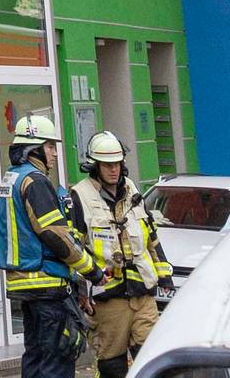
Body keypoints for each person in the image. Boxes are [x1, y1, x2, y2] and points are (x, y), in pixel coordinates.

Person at [0, 112, 99, 378]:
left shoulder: (13, 178)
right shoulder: (36, 181)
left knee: (35, 358)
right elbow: (55, 235)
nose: (55, 153)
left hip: (26, 286)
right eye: (50, 146)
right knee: (57, 361)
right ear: (34, 149)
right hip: (48, 285)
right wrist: (91, 270)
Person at [73, 131, 169, 378]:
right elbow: (74, 248)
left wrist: (164, 272)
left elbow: (150, 234)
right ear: (94, 166)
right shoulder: (80, 196)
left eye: (117, 164)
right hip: (108, 298)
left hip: (142, 294)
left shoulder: (132, 190)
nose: (114, 170)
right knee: (111, 365)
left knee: (151, 359)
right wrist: (82, 292)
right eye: (107, 165)